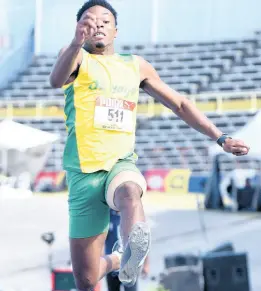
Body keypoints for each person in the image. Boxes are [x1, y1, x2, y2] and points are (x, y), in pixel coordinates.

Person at [49, 1, 250, 290]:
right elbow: (56, 80)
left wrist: (221, 137)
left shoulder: (135, 65)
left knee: (131, 192)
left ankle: (132, 251)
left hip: (120, 164)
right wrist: (75, 42)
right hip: (83, 173)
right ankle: (119, 258)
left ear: (116, 30)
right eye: (89, 21)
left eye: (105, 20)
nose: (98, 24)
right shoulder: (76, 58)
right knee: (87, 279)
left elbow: (180, 103)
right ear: (81, 29)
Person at [105, 210, 149, 291]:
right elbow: (100, 242)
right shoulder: (107, 215)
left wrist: (146, 264)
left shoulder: (131, 213)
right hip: (111, 265)